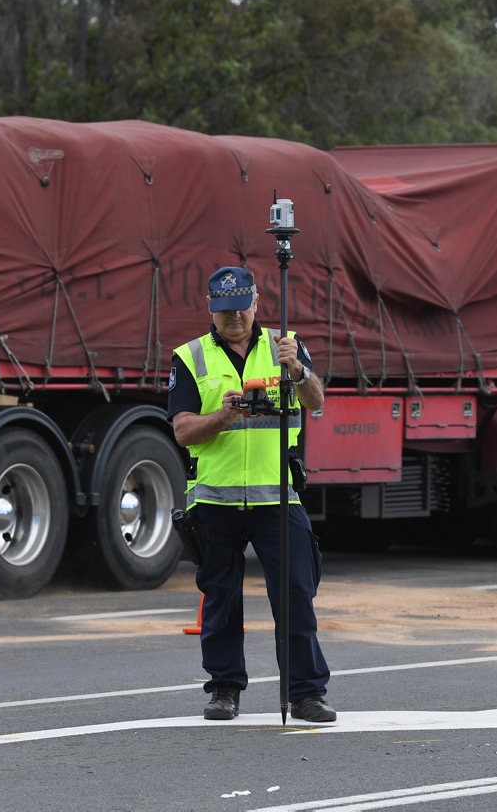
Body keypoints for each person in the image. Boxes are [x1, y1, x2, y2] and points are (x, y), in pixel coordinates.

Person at [168, 265, 334, 722]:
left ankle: (306, 693)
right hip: (215, 501)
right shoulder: (191, 357)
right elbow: (182, 431)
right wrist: (223, 417)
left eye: (241, 310)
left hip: (277, 497)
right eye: (225, 312)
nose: (234, 320)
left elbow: (316, 402)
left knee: (296, 595)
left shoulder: (286, 346)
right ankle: (224, 689)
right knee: (221, 598)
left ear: (256, 304)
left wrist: (297, 370)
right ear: (210, 309)